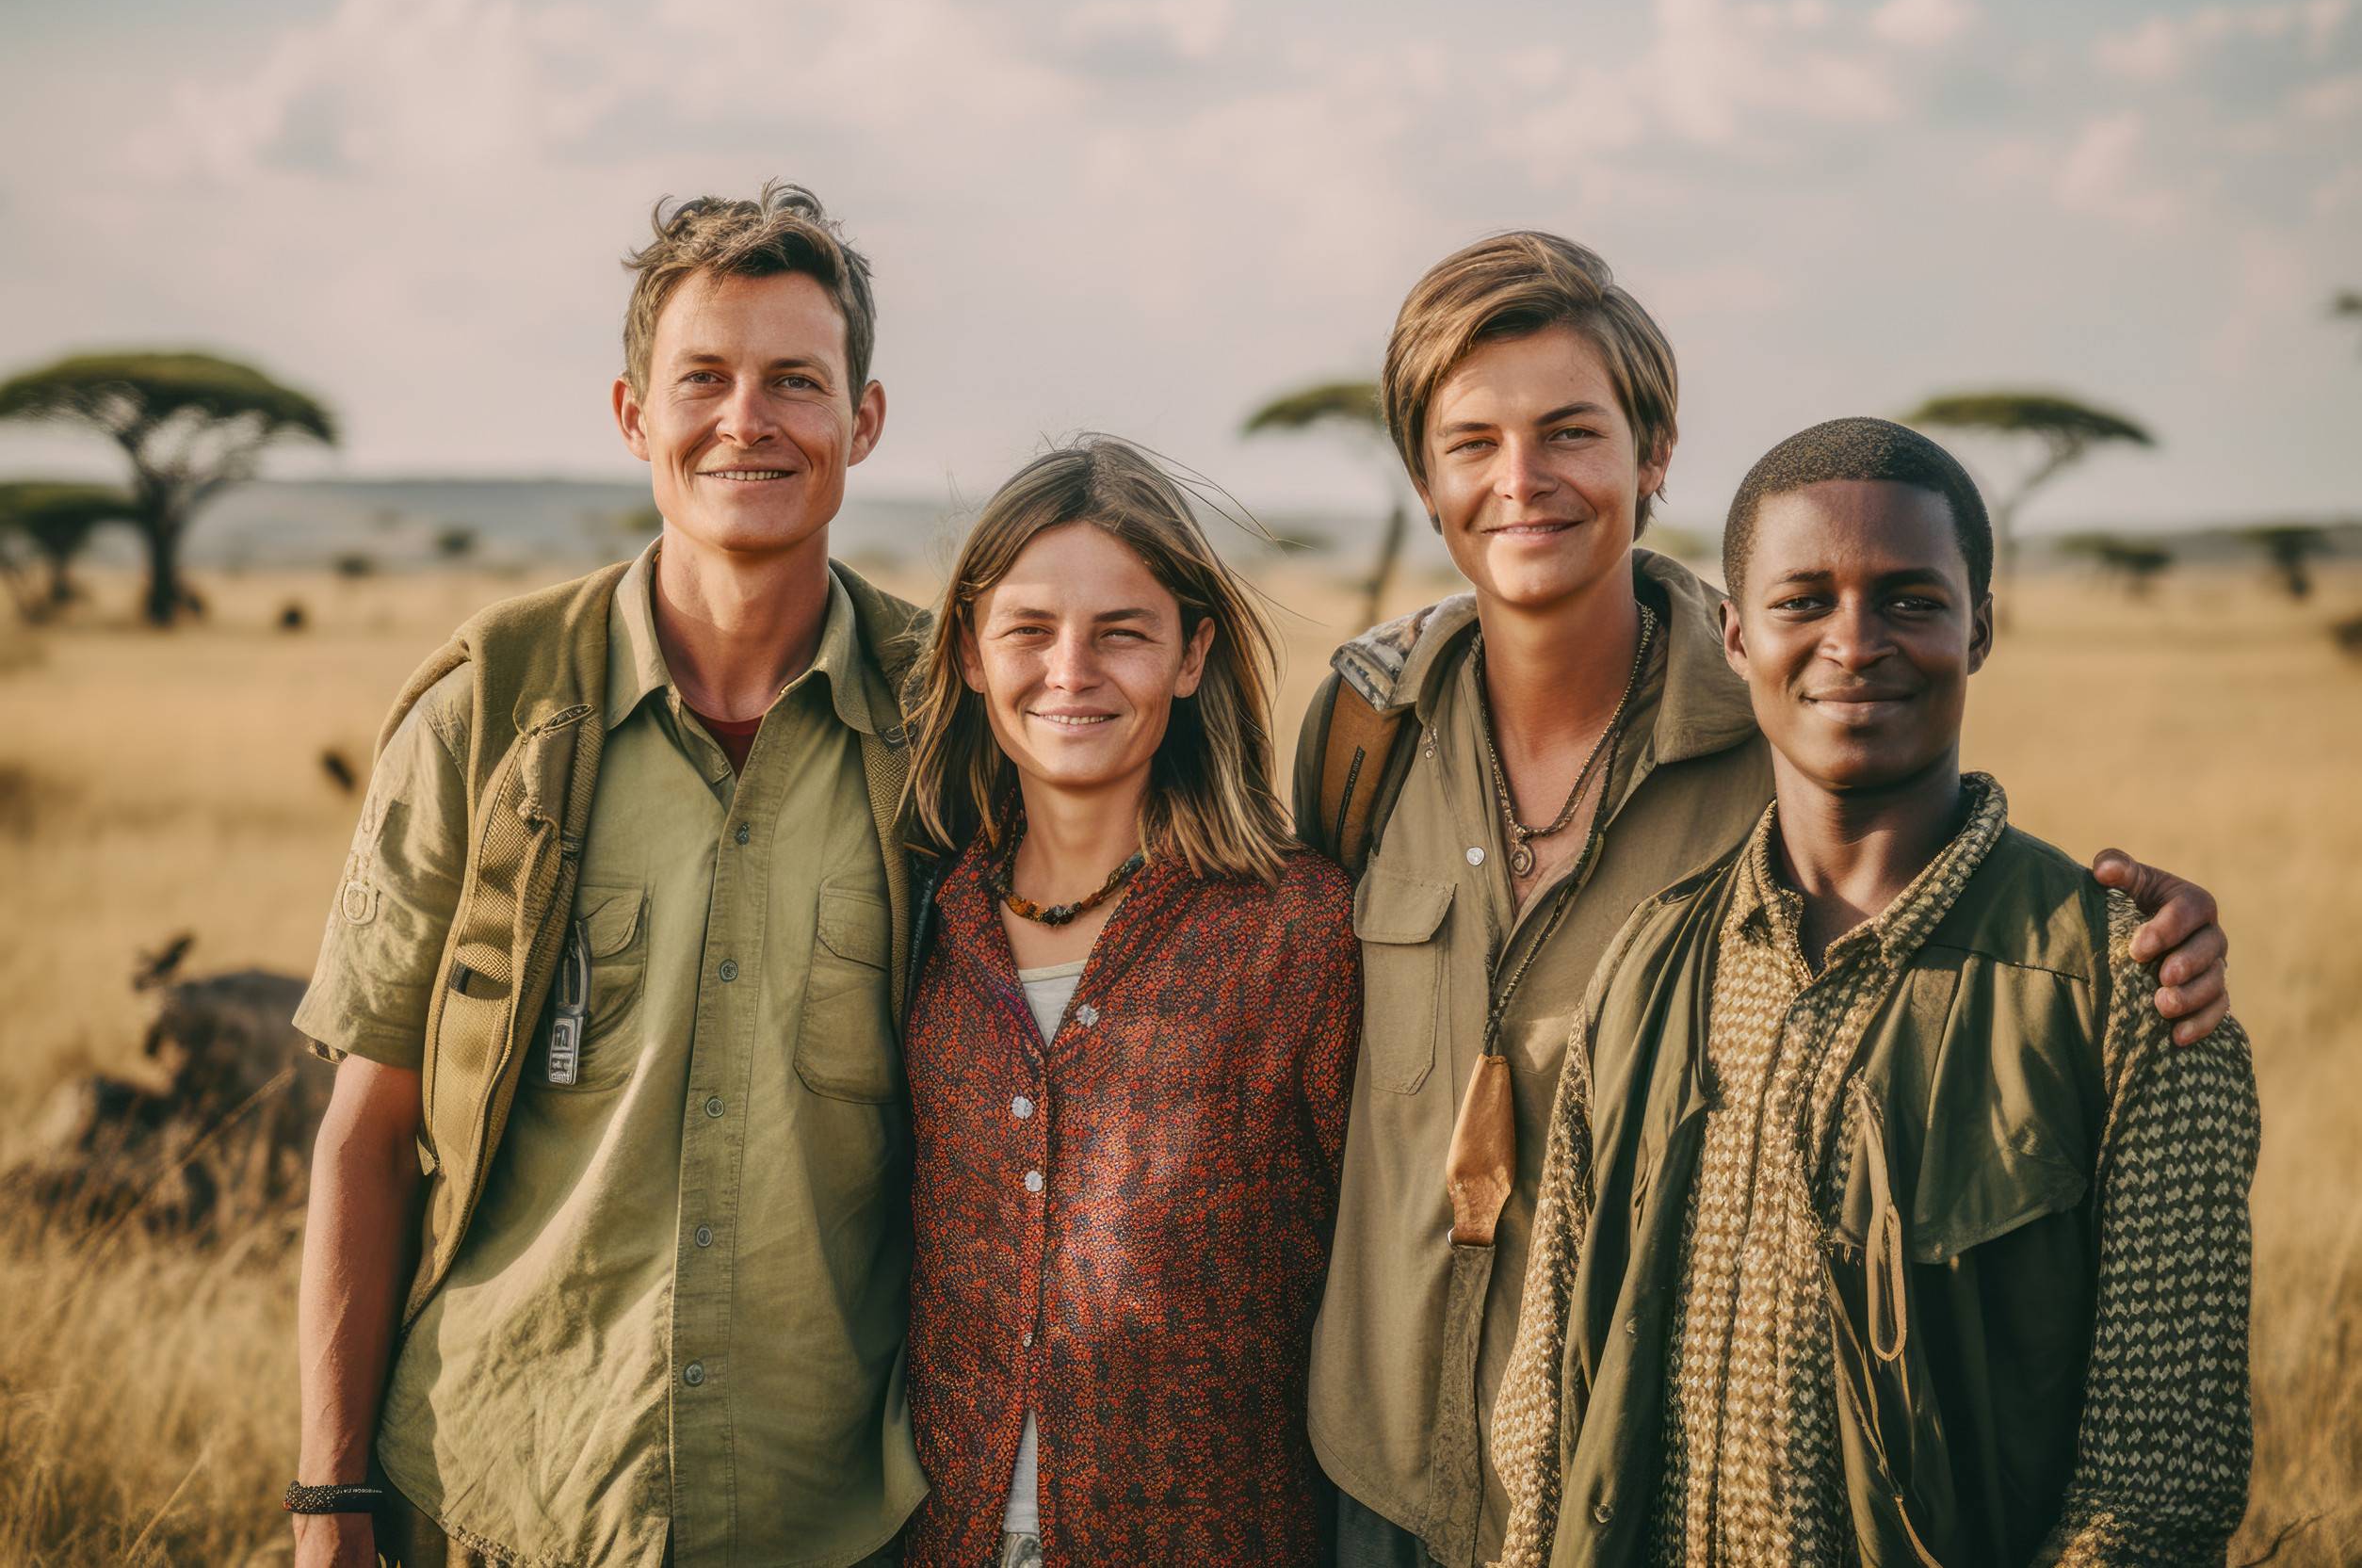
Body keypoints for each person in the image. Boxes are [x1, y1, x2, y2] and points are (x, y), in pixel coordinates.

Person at [1289, 234, 2238, 1568]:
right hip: (1377, 1466)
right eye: (1473, 442)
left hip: (1653, 1496)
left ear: (1653, 451)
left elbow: (1934, 914)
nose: (1523, 481)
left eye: (1572, 430)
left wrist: (2142, 947)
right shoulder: (1360, 732)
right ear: (1422, 473)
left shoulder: (1786, 732)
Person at [1491, 416, 2259, 1566]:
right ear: (1737, 634)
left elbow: (2156, 1492)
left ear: (1980, 628)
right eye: (1805, 601)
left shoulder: (2128, 994)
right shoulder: (1649, 963)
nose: (1855, 641)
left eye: (1910, 599)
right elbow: (1545, 1409)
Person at [288, 184, 925, 1568]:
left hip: (839, 1514)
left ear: (862, 422)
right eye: (703, 378)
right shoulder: (489, 708)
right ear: (635, 415)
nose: (746, 419)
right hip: (510, 1490)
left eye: (796, 383)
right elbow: (368, 1126)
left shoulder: (948, 726)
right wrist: (331, 1502)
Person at [896, 437, 1361, 1567]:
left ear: (1193, 653)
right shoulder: (927, 921)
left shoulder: (1296, 932)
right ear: (967, 651)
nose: (1071, 671)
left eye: (1122, 632)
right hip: (942, 1539)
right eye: (1029, 629)